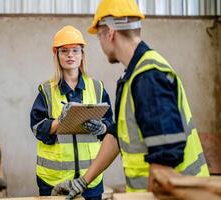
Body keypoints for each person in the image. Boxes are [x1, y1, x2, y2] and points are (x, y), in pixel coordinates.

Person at [51, 0, 210, 198]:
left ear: (109, 32)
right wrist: (83, 182)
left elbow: (165, 158)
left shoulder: (148, 77)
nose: (100, 43)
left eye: (99, 36)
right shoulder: (132, 77)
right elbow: (118, 134)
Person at [30, 25, 114, 200]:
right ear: (57, 55)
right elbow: (37, 127)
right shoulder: (47, 91)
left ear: (82, 54)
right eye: (65, 51)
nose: (70, 55)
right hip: (54, 180)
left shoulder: (97, 88)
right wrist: (60, 121)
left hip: (90, 179)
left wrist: (102, 129)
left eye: (75, 50)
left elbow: (110, 127)